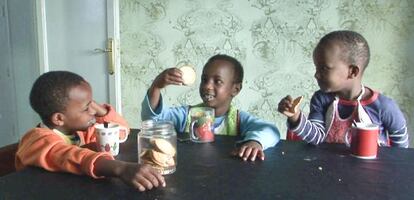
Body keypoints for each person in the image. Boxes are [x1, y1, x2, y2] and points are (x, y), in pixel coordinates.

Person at [16, 71, 165, 191]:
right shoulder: (37, 140)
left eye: (93, 103)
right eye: (86, 108)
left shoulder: (80, 131)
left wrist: (99, 110)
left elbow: (120, 131)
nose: (92, 110)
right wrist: (121, 168)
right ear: (59, 119)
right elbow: (68, 155)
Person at [278, 30, 409, 148]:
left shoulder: (383, 106)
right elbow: (317, 138)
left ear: (352, 72)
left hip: (371, 173)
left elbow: (401, 148)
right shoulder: (321, 99)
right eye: (316, 68)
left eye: (324, 68)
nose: (316, 74)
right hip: (328, 170)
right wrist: (295, 117)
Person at [142, 54, 281, 161]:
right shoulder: (186, 115)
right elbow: (152, 121)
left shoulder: (239, 121)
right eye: (204, 79)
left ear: (235, 89)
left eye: (217, 81)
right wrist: (156, 87)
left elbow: (271, 130)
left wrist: (255, 142)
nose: (207, 86)